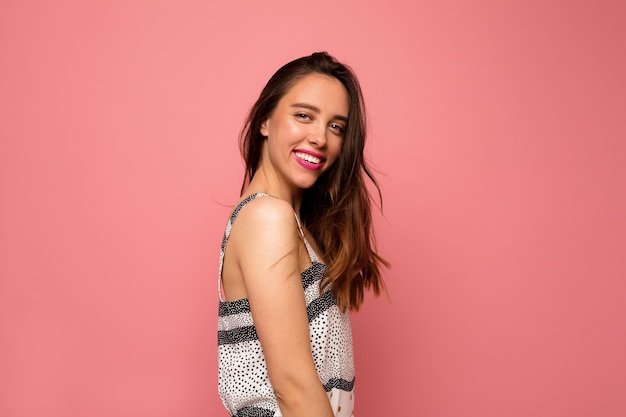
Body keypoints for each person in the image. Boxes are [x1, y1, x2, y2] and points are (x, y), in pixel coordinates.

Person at [217, 52, 388, 417]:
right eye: (303, 115)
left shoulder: (292, 224)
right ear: (265, 120)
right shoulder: (267, 217)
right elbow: (293, 386)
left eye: (336, 126)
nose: (320, 138)